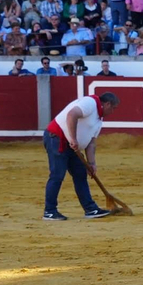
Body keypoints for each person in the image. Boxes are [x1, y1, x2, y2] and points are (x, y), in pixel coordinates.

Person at [43, 91, 118, 220]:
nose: (113, 112)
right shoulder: (90, 103)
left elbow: (91, 143)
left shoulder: (99, 120)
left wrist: (92, 163)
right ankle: (49, 211)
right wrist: (73, 138)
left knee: (80, 174)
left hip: (72, 146)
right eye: (113, 108)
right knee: (57, 175)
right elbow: (72, 114)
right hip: (57, 138)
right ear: (107, 104)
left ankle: (90, 209)